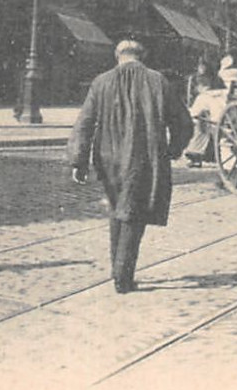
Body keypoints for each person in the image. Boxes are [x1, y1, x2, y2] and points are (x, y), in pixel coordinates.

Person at [67, 40, 192, 294]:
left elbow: (84, 123)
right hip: (143, 157)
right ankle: (122, 276)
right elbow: (183, 122)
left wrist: (78, 160)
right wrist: (174, 149)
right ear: (141, 55)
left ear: (118, 56)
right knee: (133, 213)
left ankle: (119, 269)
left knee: (118, 208)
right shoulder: (158, 81)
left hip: (109, 157)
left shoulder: (101, 82)